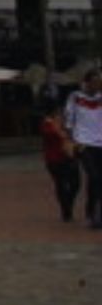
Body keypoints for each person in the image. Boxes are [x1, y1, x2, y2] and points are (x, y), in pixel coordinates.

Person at [63, 69, 102, 229]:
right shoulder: (75, 97)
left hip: (100, 143)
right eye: (95, 82)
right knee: (94, 176)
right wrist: (71, 140)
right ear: (86, 83)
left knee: (99, 179)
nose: (98, 85)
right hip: (83, 143)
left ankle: (95, 212)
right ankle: (91, 213)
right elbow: (69, 120)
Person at [39, 94, 80, 222]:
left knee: (76, 184)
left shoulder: (63, 122)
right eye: (58, 110)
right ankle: (66, 210)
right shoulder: (47, 124)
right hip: (55, 159)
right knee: (61, 183)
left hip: (69, 156)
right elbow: (53, 135)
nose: (60, 112)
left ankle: (68, 205)